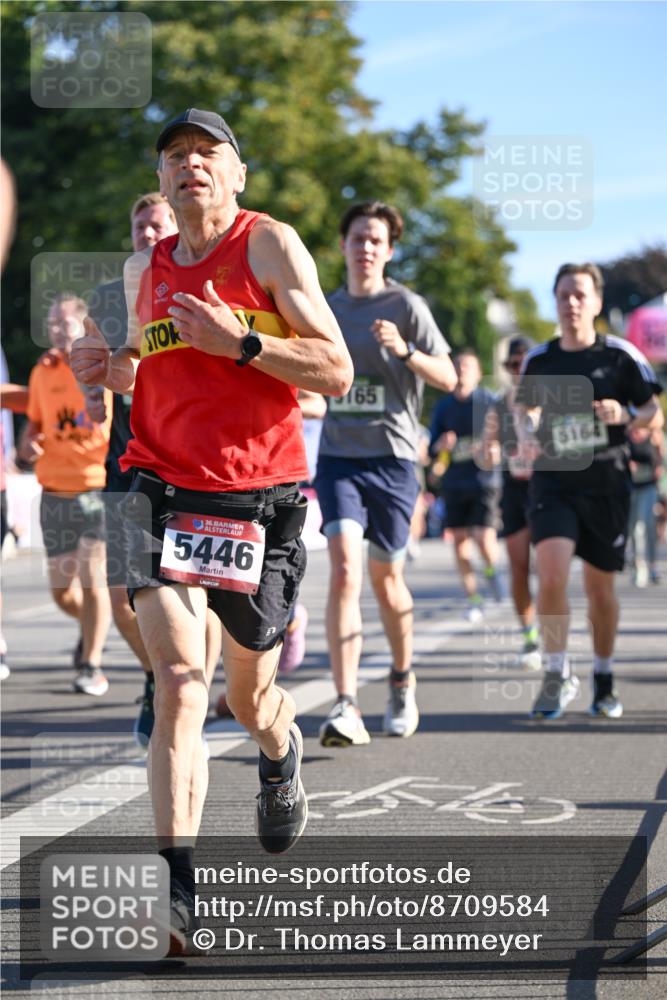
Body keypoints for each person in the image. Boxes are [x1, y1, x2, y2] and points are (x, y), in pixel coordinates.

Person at [71, 108, 353, 955]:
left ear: (236, 175)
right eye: (174, 156)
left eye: (207, 152)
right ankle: (177, 895)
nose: (189, 164)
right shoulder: (141, 268)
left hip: (256, 503)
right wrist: (105, 372)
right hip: (156, 489)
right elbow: (136, 366)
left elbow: (334, 369)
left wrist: (243, 344)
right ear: (160, 182)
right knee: (181, 683)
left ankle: (280, 746)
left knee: (245, 696)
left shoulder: (269, 246)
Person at [315, 200, 456, 748]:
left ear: (389, 250)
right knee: (346, 569)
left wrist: (407, 350)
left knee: (386, 579)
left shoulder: (406, 304)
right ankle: (346, 702)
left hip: (394, 460)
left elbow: (447, 376)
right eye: (357, 238)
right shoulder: (324, 309)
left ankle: (401, 679)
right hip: (339, 458)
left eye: (376, 239)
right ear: (344, 246)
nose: (366, 247)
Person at [84, 191, 222, 749]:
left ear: (175, 226)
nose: (147, 231)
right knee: (123, 597)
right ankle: (156, 677)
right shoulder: (108, 296)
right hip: (127, 462)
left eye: (157, 222)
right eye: (139, 224)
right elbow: (94, 359)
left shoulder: (197, 282)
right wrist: (93, 392)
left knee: (202, 591)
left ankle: (191, 692)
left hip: (191, 462)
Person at [515, 263, 663, 721]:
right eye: (563, 295)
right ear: (555, 302)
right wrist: (529, 431)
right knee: (553, 574)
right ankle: (557, 672)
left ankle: (603, 678)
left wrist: (623, 414)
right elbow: (522, 411)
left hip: (606, 484)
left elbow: (652, 411)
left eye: (580, 294)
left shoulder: (620, 356)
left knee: (601, 590)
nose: (571, 303)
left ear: (597, 303)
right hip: (554, 482)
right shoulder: (539, 359)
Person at [19, 294, 113, 695]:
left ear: (82, 326)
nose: (57, 330)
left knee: (94, 579)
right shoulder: (43, 373)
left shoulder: (100, 365)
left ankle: (92, 665)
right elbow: (34, 426)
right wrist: (26, 449)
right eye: (53, 323)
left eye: (65, 323)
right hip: (54, 490)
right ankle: (91, 627)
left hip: (95, 487)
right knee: (62, 593)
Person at [429, 350, 502, 622]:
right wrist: (442, 446)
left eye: (467, 366)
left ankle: (493, 573)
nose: (461, 371)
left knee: (484, 539)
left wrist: (494, 449)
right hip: (455, 482)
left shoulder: (489, 401)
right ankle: (474, 598)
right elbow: (433, 448)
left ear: (478, 373)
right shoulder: (443, 407)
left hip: (484, 481)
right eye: (457, 366)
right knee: (459, 544)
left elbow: (505, 438)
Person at [483, 336, 540, 668]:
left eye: (525, 364)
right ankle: (530, 636)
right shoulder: (497, 405)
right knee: (519, 567)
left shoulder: (550, 399)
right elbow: (485, 449)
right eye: (513, 365)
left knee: (547, 568)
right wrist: (488, 452)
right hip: (514, 490)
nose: (519, 370)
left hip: (546, 489)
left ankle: (553, 634)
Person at [627, 425, 664, 586]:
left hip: (649, 488)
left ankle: (653, 566)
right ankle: (637, 565)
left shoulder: (654, 435)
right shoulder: (625, 435)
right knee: (633, 528)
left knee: (648, 525)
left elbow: (661, 460)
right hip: (631, 488)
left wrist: (659, 469)